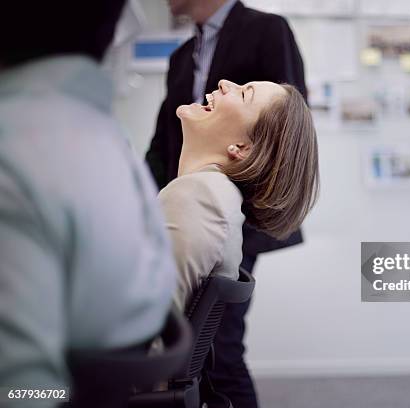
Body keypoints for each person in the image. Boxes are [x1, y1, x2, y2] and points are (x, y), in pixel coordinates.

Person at [0, 0, 177, 400]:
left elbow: (22, 394)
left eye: (245, 91)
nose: (222, 88)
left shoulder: (17, 156)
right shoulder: (114, 149)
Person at [146, 1, 308, 406]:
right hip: (196, 206)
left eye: (243, 89)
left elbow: (281, 133)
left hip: (225, 215)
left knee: (223, 353)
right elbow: (162, 139)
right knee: (210, 353)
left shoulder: (266, 29)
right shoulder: (184, 54)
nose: (223, 84)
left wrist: (228, 220)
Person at [161, 79, 319, 311]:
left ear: (242, 147)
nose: (224, 83)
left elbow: (146, 333)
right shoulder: (217, 197)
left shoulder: (198, 196)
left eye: (245, 94)